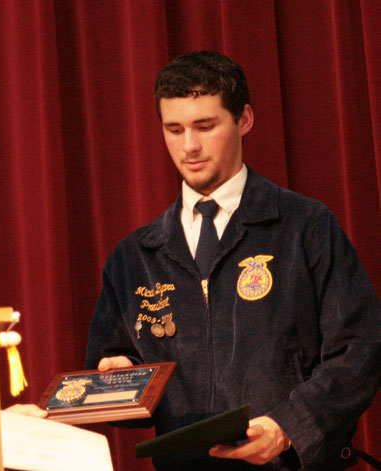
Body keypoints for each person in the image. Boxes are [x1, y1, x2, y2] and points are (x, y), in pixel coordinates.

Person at [86, 51, 380, 470]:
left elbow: (360, 350)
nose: (189, 146)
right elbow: (117, 382)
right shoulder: (133, 258)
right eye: (174, 129)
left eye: (205, 126)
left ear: (244, 120)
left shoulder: (306, 227)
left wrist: (287, 428)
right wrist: (119, 378)